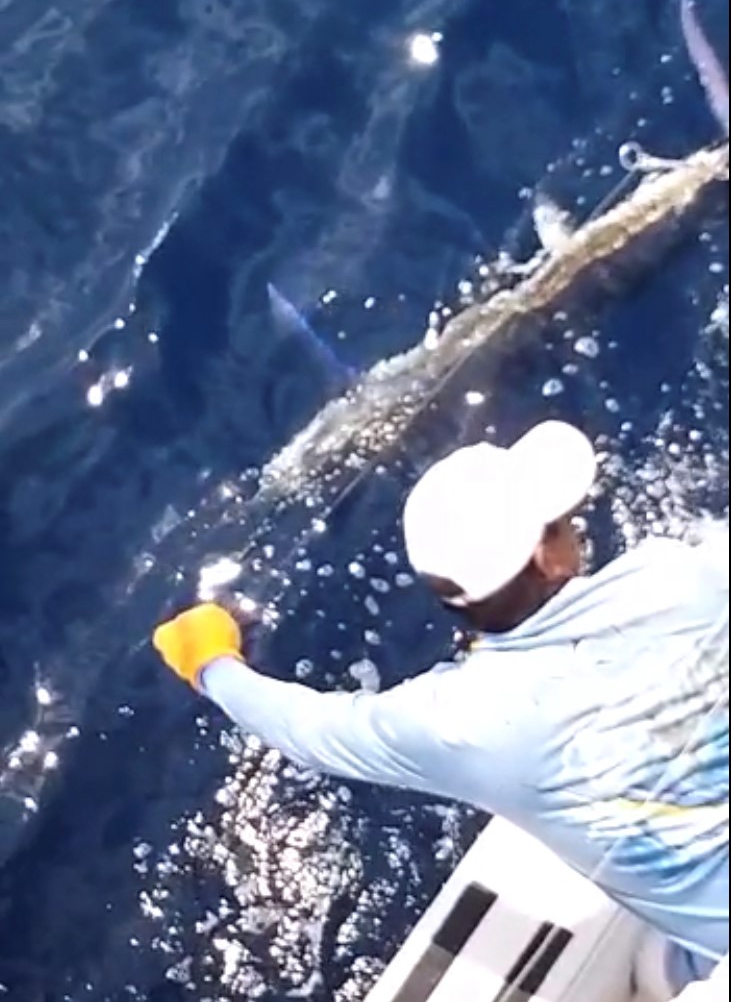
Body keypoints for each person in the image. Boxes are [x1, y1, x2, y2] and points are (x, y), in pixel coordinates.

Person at [153, 420, 729, 998]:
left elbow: (307, 730)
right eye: (559, 520)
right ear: (546, 558)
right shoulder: (675, 574)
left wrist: (211, 663)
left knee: (657, 969)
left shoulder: (463, 725)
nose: (573, 522)